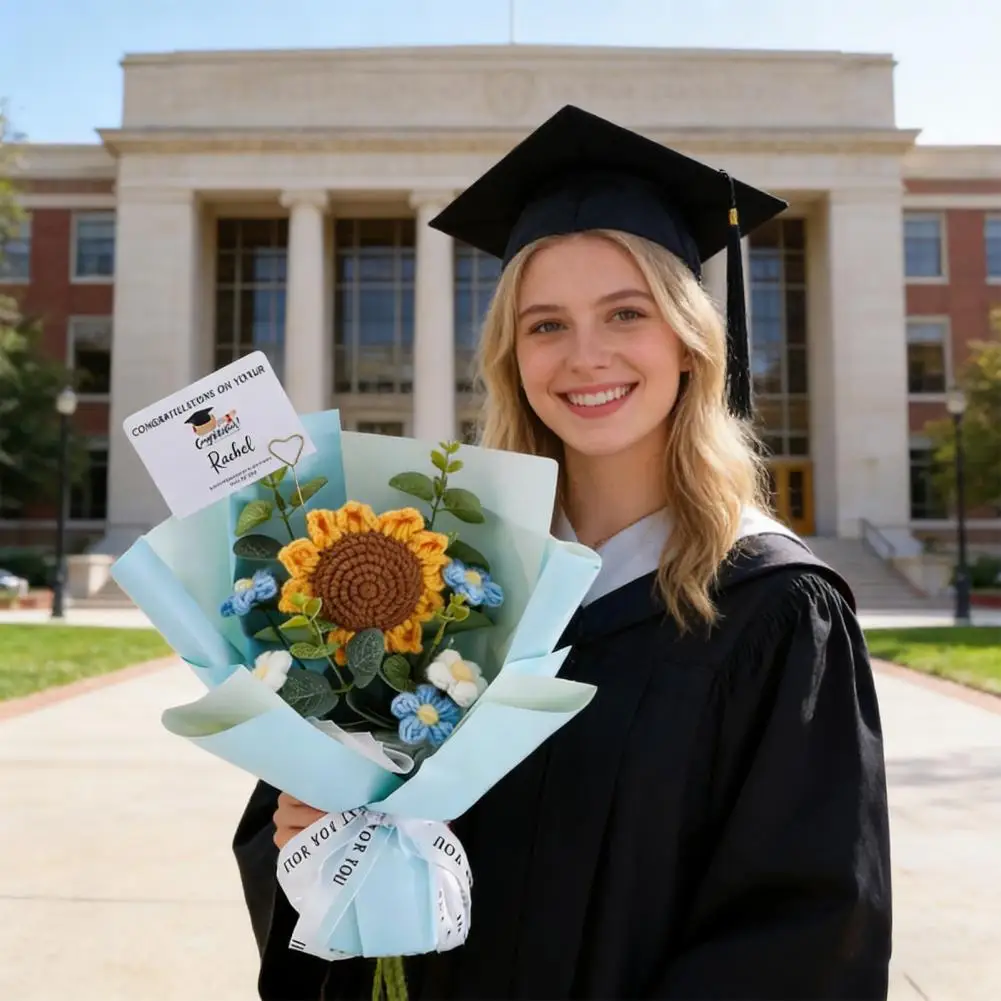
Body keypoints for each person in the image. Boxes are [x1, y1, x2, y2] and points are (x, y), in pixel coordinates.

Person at [233, 104, 892, 1000]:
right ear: (511, 354)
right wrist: (317, 841)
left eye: (625, 313)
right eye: (545, 324)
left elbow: (805, 933)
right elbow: (296, 850)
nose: (585, 356)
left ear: (688, 340)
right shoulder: (443, 587)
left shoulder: (773, 608)